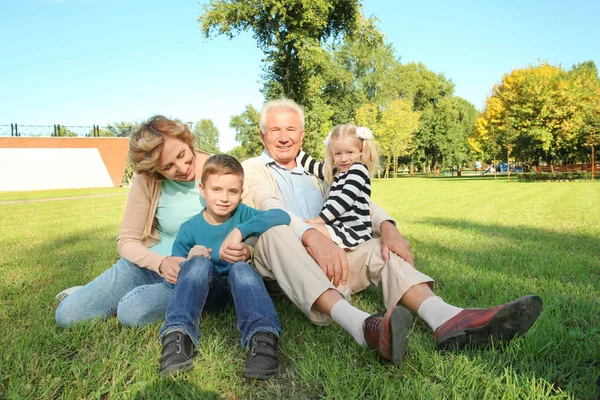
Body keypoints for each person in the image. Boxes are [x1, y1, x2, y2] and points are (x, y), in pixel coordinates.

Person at [241, 98, 543, 365]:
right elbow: (269, 207)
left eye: (291, 129)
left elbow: (356, 198)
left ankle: (447, 318)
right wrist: (312, 236)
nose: (284, 138)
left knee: (377, 249)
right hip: (285, 265)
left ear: (302, 134)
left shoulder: (322, 169)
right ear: (262, 134)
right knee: (273, 229)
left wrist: (387, 227)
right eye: (275, 130)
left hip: (335, 261)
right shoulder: (252, 169)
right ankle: (363, 327)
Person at [55, 116, 251, 328]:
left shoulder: (223, 169)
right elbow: (127, 240)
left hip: (198, 274)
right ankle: (92, 293)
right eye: (168, 166)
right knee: (69, 315)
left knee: (132, 311)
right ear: (155, 170)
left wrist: (248, 250)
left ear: (187, 139)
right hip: (151, 264)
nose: (182, 167)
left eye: (182, 154)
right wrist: (160, 263)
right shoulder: (148, 180)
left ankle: (122, 297)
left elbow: (251, 225)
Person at [158, 154, 290, 379]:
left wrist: (240, 231)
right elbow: (172, 279)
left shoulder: (243, 213)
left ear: (241, 191)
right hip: (211, 294)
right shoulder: (189, 228)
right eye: (216, 190)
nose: (224, 198)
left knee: (240, 268)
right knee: (198, 263)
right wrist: (188, 261)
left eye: (233, 191)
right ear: (202, 189)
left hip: (245, 289)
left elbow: (281, 215)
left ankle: (263, 338)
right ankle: (177, 338)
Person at [303, 123, 378, 251]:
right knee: (305, 235)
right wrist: (293, 149)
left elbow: (345, 200)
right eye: (338, 154)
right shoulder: (338, 172)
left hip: (354, 232)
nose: (344, 159)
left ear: (361, 151)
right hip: (339, 229)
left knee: (305, 230)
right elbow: (314, 166)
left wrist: (319, 220)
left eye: (350, 152)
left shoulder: (358, 169)